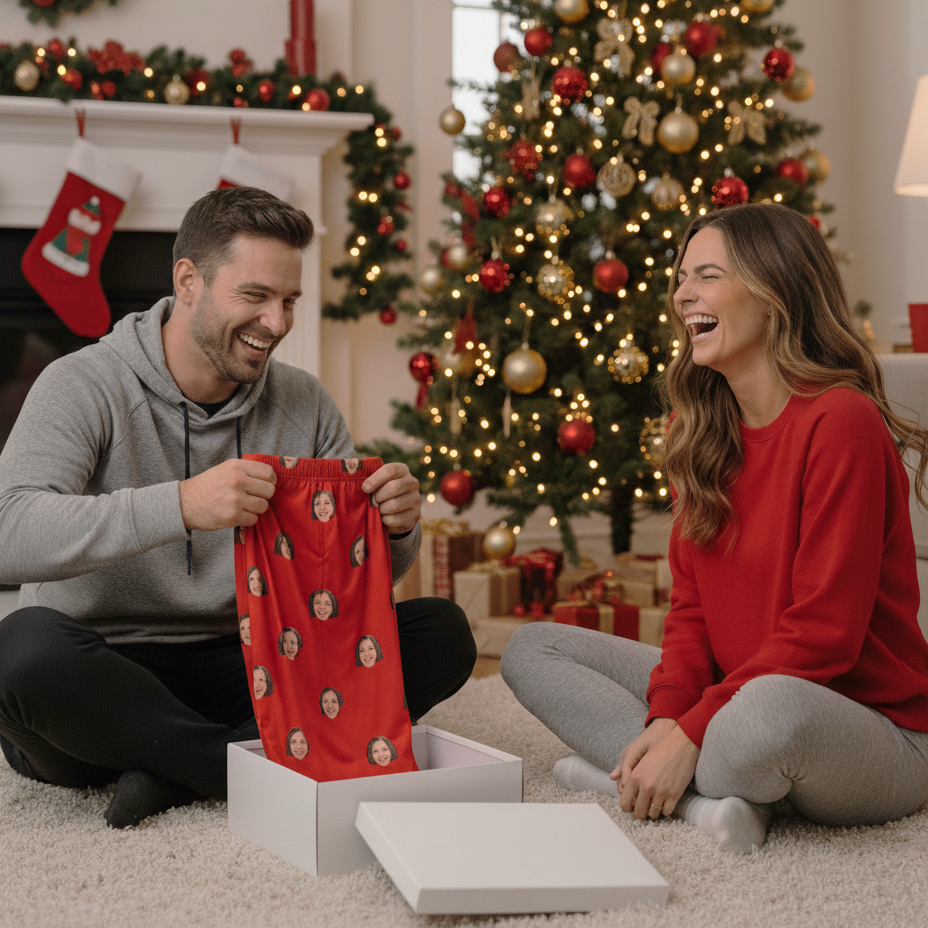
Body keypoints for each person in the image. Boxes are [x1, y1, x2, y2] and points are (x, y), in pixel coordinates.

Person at [0, 186, 475, 830]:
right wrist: (181, 505)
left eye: (289, 301)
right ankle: (241, 762)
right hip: (108, 672)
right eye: (255, 296)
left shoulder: (304, 402)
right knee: (21, 651)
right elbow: (10, 531)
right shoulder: (82, 384)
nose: (276, 323)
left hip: (258, 660)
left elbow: (350, 592)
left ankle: (176, 769)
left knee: (440, 632)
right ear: (188, 282)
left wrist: (394, 529)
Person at [502, 203, 928, 854]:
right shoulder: (697, 429)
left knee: (761, 717)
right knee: (533, 650)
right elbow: (692, 611)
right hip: (736, 694)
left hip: (871, 727)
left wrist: (693, 731)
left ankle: (637, 777)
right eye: (681, 278)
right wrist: (669, 716)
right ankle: (701, 798)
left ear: (774, 290)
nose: (682, 295)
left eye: (707, 275)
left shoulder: (841, 421)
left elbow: (825, 635)